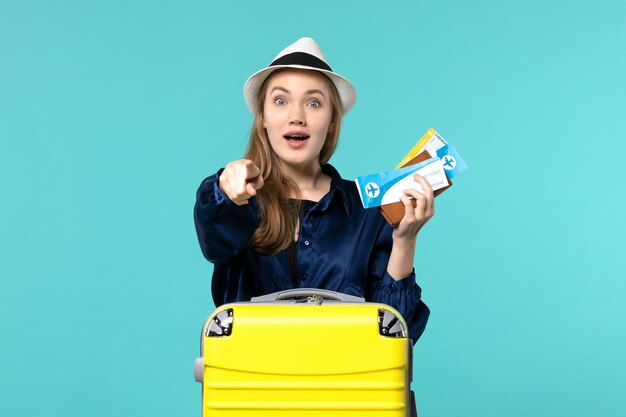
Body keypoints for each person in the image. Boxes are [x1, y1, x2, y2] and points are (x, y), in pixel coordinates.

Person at [194, 37, 433, 342]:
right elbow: (213, 234)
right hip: (253, 383)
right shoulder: (241, 201)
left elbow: (393, 337)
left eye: (314, 102)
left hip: (345, 384)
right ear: (263, 118)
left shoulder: (367, 211)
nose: (297, 116)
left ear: (332, 120)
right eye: (281, 101)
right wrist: (226, 189)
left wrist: (405, 239)